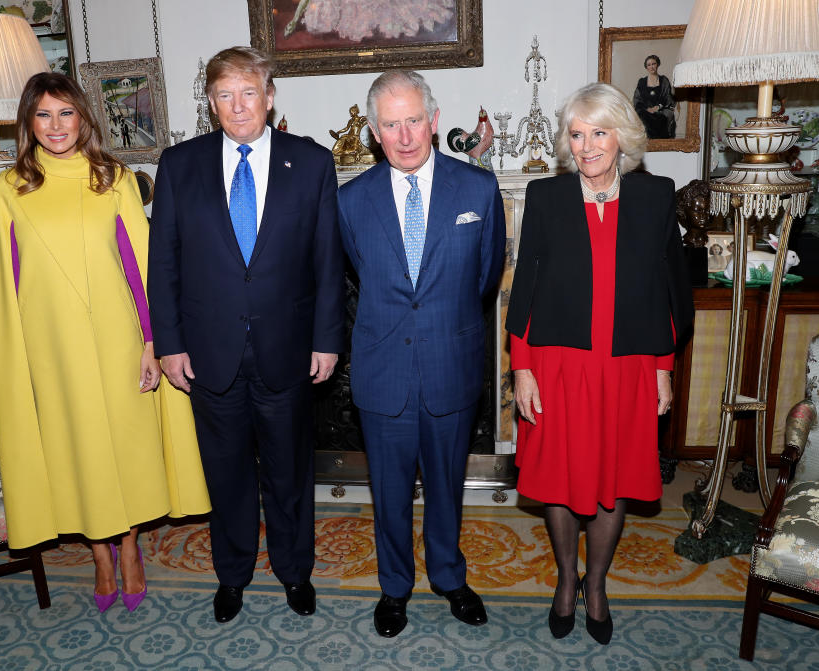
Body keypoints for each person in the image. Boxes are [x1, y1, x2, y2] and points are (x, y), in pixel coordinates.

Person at [0, 72, 210, 614]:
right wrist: (22, 364)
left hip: (117, 341)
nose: (56, 126)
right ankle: (99, 555)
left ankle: (129, 545)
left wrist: (152, 343)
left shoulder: (113, 178)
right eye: (44, 115)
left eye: (66, 113)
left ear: (83, 117)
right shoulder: (9, 189)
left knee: (125, 449)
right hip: (50, 348)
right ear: (28, 123)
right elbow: (3, 285)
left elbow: (141, 270)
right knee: (76, 450)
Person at [148, 46, 345, 624]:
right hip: (209, 353)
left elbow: (327, 262)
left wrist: (327, 339)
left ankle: (294, 572)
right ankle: (231, 576)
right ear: (211, 102)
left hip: (288, 349)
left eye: (249, 92)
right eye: (225, 95)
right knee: (226, 474)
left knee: (289, 474)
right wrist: (169, 343)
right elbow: (165, 265)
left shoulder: (310, 162)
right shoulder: (179, 164)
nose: (238, 106)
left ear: (270, 95)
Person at [505, 82, 693, 645]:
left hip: (628, 364)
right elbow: (524, 291)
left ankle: (597, 585)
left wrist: (664, 368)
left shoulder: (657, 196)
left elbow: (669, 289)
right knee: (562, 482)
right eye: (577, 134)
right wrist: (522, 367)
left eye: (599, 133)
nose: (586, 147)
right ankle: (567, 579)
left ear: (623, 138)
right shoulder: (545, 197)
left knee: (612, 479)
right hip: (559, 364)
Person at [337, 70, 505, 638]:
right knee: (387, 493)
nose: (405, 135)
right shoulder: (350, 201)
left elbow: (484, 279)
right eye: (391, 124)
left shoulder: (478, 191)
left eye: (414, 120)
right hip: (383, 372)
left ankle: (450, 577)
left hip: (450, 367)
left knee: (446, 486)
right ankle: (394, 587)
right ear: (374, 134)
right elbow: (360, 273)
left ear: (434, 121)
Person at [633, 55, 676, 139]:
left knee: (663, 117)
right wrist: (647, 109)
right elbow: (637, 100)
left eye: (653, 64)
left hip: (661, 110)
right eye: (649, 65)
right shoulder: (642, 82)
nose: (651, 67)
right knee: (643, 116)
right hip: (645, 111)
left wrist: (658, 107)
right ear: (646, 67)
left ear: (657, 65)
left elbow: (668, 97)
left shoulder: (664, 80)